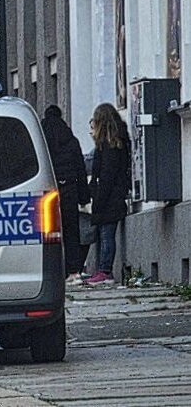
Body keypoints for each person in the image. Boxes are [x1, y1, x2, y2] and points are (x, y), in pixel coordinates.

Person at [41, 105, 91, 284]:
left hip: (48, 192)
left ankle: (52, 271)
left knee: (49, 232)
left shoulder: (42, 139)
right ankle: (74, 270)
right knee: (71, 230)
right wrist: (84, 197)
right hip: (70, 189)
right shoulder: (71, 140)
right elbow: (80, 170)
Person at [84, 103, 131, 286]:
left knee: (106, 235)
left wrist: (99, 199)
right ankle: (103, 270)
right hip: (114, 195)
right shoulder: (117, 143)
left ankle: (105, 271)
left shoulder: (109, 147)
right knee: (105, 234)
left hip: (109, 197)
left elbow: (107, 176)